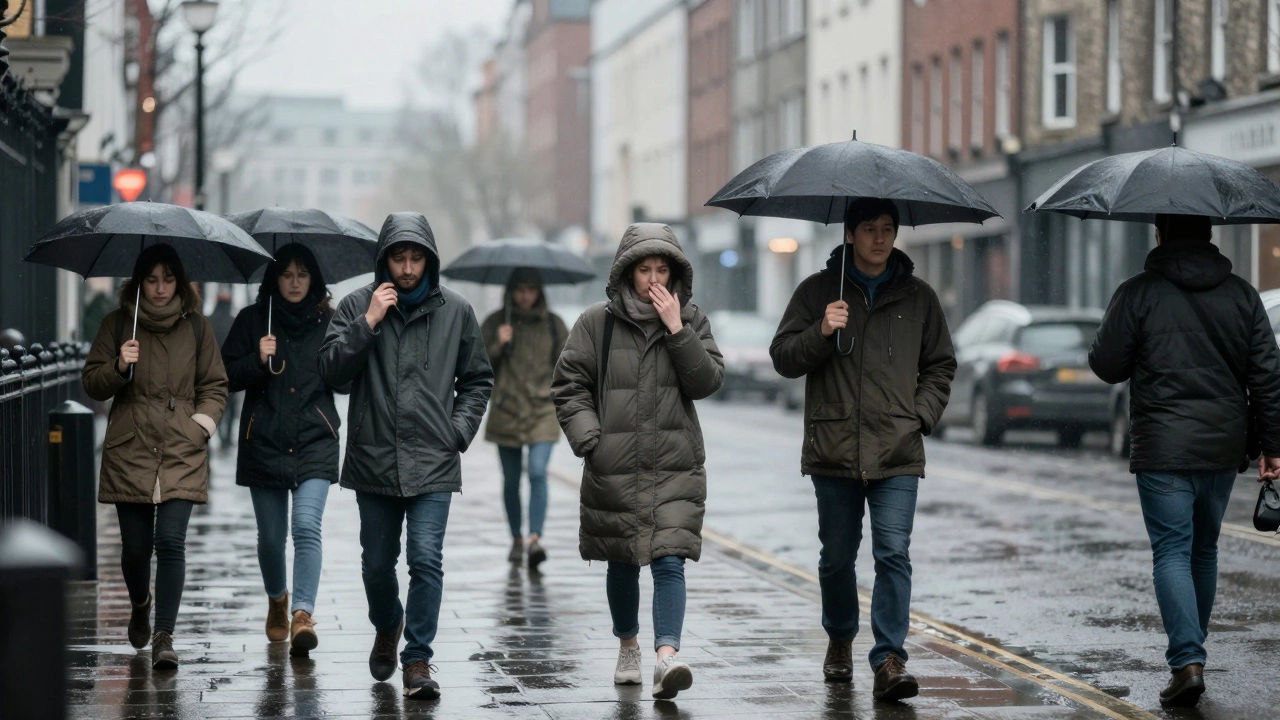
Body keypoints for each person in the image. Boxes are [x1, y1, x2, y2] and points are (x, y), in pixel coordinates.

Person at [1089, 214, 1280, 708]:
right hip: (1221, 446)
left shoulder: (1139, 292)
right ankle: (1193, 655)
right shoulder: (1242, 295)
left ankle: (1187, 663)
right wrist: (1273, 446)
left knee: (1172, 550)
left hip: (1162, 445)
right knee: (1204, 551)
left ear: (1159, 233)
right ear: (1210, 233)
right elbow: (1267, 376)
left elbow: (1106, 365)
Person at [770, 198, 955, 701]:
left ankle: (890, 658)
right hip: (834, 449)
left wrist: (920, 415)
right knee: (836, 558)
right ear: (849, 234)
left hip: (897, 449)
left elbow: (941, 365)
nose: (880, 237)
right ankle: (838, 638)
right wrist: (821, 331)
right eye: (869, 229)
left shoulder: (919, 298)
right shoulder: (816, 292)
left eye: (888, 229)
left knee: (893, 552)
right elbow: (783, 358)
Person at [319, 212, 493, 700]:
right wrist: (369, 322)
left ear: (430, 260)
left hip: (434, 461)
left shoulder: (456, 311)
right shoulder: (358, 304)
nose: (409, 267)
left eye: (417, 257)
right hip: (373, 460)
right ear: (384, 260)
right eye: (400, 257)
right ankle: (388, 623)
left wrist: (457, 431)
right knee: (376, 564)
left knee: (425, 559)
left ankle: (417, 659)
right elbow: (331, 373)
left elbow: (477, 380)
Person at [552, 223, 724, 700]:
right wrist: (591, 441)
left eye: (662, 270)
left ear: (675, 275)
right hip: (616, 465)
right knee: (623, 562)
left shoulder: (692, 321)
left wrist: (677, 330)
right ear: (627, 273)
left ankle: (666, 657)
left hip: (674, 464)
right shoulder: (596, 323)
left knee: (671, 560)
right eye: (644, 270)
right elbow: (569, 384)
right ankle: (628, 645)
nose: (653, 280)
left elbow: (708, 382)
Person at [82, 243, 228, 671]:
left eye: (168, 279)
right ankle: (141, 602)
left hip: (182, 447)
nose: (161, 288)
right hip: (132, 447)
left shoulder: (198, 328)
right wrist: (120, 368)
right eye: (152, 279)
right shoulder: (116, 324)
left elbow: (215, 385)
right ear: (138, 283)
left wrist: (203, 423)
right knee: (134, 550)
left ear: (180, 282)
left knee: (171, 542)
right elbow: (92, 383)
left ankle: (164, 635)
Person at [220, 244, 342, 658]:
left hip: (314, 439)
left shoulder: (331, 321)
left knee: (307, 526)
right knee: (272, 539)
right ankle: (278, 598)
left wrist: (357, 339)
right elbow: (224, 376)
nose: (293, 282)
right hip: (265, 440)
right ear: (274, 279)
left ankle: (303, 614)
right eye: (286, 274)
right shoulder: (252, 320)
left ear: (314, 280)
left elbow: (343, 380)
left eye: (302, 274)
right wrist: (257, 358)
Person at [481, 267, 569, 570]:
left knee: (537, 472)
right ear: (510, 290)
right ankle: (516, 538)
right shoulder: (496, 322)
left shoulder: (554, 325)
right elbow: (476, 367)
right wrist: (498, 345)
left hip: (543, 410)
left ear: (540, 291)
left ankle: (534, 538)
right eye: (519, 289)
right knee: (510, 480)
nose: (525, 296)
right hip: (506, 410)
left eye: (531, 289)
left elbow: (568, 367)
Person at [208, 287, 240, 449]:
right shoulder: (234, 321)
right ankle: (225, 437)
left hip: (212, 371)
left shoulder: (209, 321)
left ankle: (220, 435)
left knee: (218, 405)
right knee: (231, 406)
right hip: (230, 371)